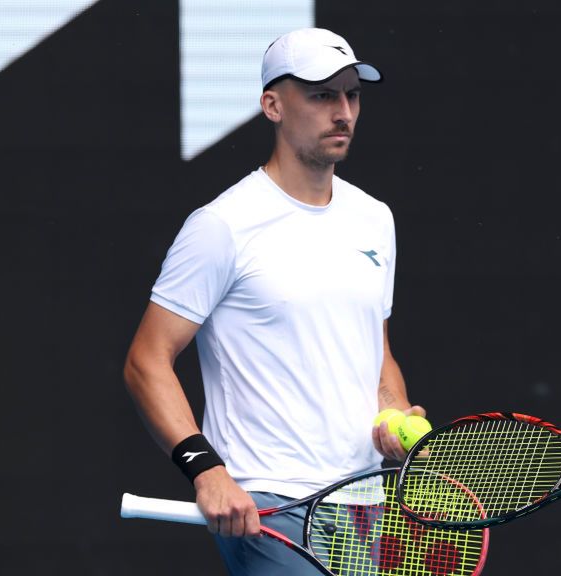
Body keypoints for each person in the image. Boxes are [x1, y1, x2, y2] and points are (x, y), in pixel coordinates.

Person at [123, 27, 423, 575]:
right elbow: (147, 361)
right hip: (271, 506)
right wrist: (206, 471)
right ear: (273, 105)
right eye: (322, 95)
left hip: (366, 505)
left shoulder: (375, 218)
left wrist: (394, 412)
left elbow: (375, 352)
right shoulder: (221, 226)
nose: (343, 111)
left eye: (351, 94)